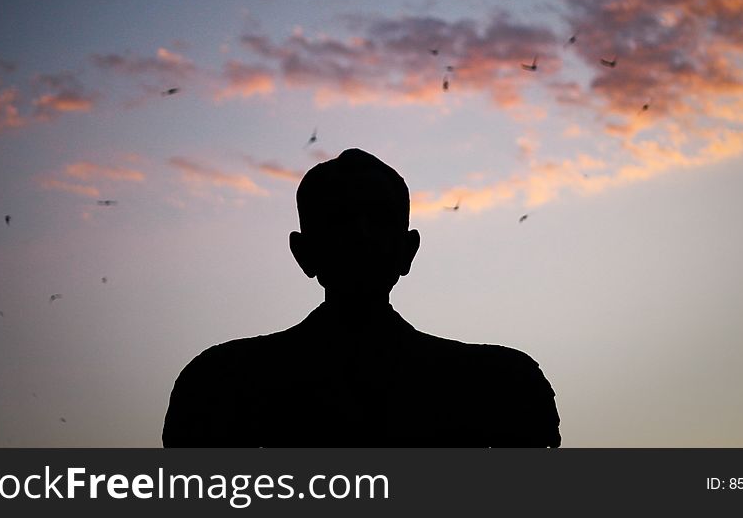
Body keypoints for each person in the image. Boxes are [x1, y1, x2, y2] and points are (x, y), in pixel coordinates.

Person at [163, 148, 561, 446]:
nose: (360, 235)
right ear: (304, 253)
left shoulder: (499, 386)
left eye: (378, 219)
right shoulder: (222, 385)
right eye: (338, 220)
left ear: (408, 251)